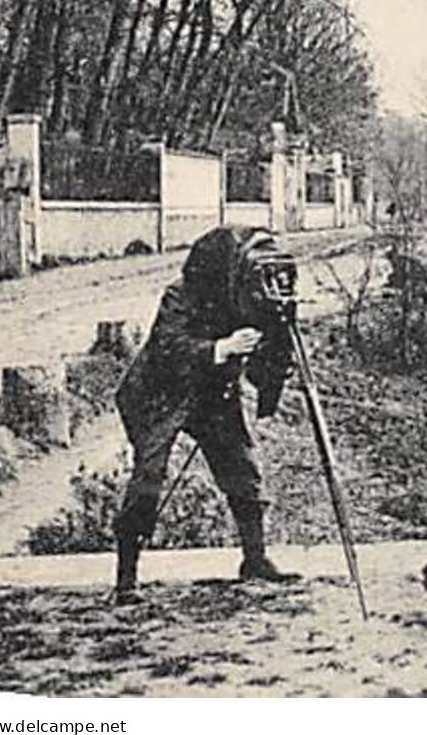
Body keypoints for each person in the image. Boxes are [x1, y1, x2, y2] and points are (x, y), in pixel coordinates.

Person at [113, 225, 299, 601]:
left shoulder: (251, 298)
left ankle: (255, 559)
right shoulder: (180, 296)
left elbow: (267, 369)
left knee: (242, 468)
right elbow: (169, 347)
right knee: (148, 480)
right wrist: (221, 348)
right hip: (158, 396)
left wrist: (278, 344)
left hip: (213, 394)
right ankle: (126, 580)